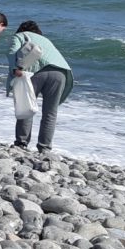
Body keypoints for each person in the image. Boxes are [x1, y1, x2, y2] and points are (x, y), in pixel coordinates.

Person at [7, 21, 74, 152]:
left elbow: (12, 52)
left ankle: (21, 143)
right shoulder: (45, 40)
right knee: (50, 112)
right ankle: (44, 148)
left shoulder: (20, 36)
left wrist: (14, 69)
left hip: (35, 72)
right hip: (60, 72)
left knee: (26, 106)